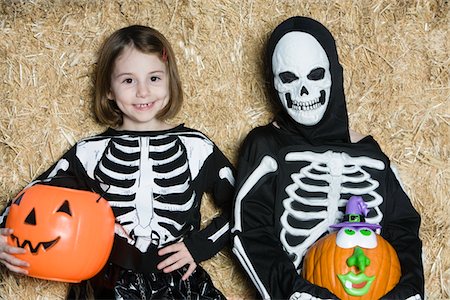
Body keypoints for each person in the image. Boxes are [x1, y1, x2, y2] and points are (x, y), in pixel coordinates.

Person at [0, 25, 235, 299]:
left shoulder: (197, 147)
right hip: (109, 284)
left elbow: (245, 206)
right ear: (109, 90)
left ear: (170, 81)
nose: (143, 92)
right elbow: (30, 197)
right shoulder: (89, 152)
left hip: (181, 282)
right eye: (128, 81)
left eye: (154, 78)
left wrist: (200, 246)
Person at [231, 16, 424, 300]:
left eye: (315, 75)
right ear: (274, 83)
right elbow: (249, 231)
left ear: (334, 74)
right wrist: (296, 292)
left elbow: (404, 229)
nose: (303, 91)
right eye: (289, 78)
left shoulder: (370, 152)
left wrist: (409, 291)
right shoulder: (267, 146)